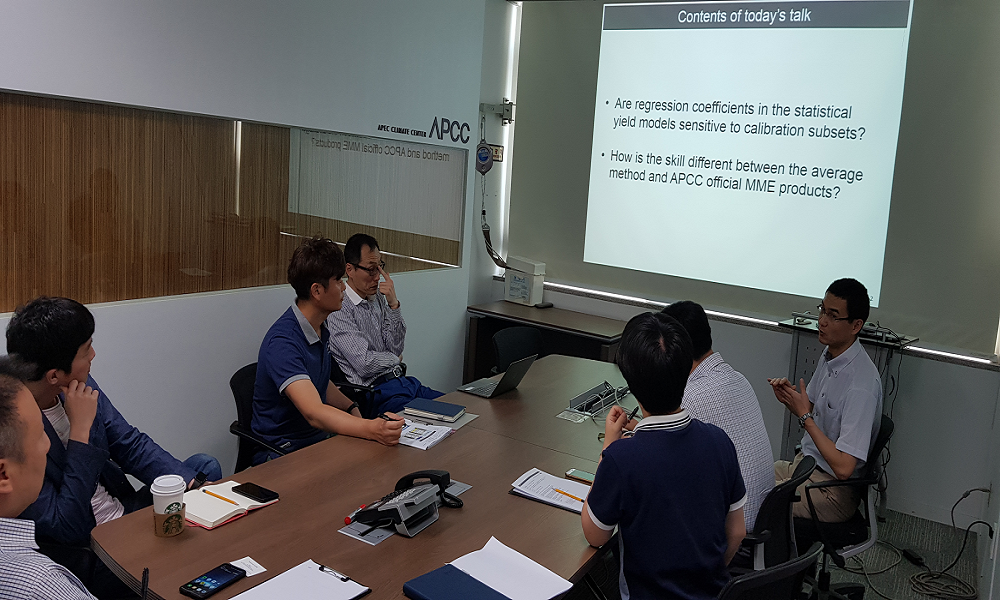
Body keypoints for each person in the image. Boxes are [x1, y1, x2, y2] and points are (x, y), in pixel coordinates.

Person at [4, 297, 223, 546]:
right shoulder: (11, 426)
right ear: (54, 375)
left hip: (122, 510)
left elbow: (128, 443)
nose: (93, 355)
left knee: (204, 468)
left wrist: (193, 485)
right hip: (87, 543)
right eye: (86, 350)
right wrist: (80, 434)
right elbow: (65, 525)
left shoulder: (79, 385)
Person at [582, 312, 747, 600]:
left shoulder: (621, 458)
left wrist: (608, 448)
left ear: (630, 381)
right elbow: (737, 532)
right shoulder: (719, 440)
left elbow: (595, 536)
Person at [252, 236, 402, 464]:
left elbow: (319, 381)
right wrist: (372, 428)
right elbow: (314, 412)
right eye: (338, 281)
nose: (343, 287)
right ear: (317, 291)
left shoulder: (319, 327)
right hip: (283, 451)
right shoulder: (283, 342)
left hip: (317, 440)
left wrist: (351, 407)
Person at [770, 278, 882, 523]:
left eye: (833, 315)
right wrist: (790, 398)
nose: (822, 320)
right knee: (742, 476)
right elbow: (810, 408)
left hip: (831, 491)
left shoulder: (861, 386)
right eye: (822, 310)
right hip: (806, 467)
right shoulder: (831, 354)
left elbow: (843, 469)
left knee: (751, 497)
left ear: (856, 325)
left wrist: (805, 417)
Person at [662, 300, 774, 531]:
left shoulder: (690, 397)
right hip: (763, 516)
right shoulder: (739, 379)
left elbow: (658, 462)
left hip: (733, 527)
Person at [0, 356, 97, 599]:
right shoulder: (42, 586)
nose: (47, 445)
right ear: (3, 474)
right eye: (40, 435)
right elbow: (69, 525)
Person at [326, 233, 443, 418]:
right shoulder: (340, 307)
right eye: (371, 270)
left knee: (457, 406)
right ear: (350, 269)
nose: (377, 277)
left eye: (380, 268)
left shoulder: (378, 298)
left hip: (403, 382)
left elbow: (396, 347)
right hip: (377, 394)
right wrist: (394, 359)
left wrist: (393, 304)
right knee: (434, 420)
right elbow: (364, 364)